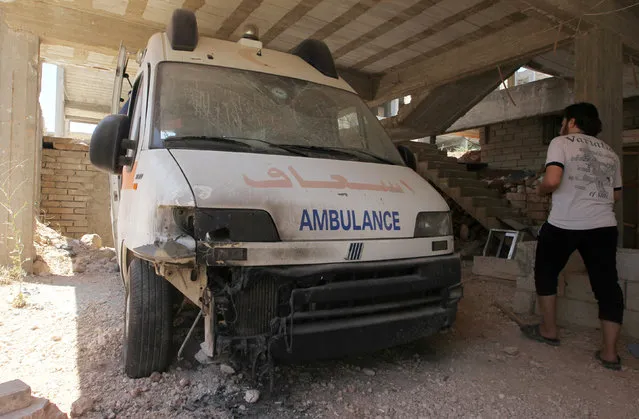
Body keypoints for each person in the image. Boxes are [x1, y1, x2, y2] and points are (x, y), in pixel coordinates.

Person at [521, 102, 624, 371]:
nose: (561, 126)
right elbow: (615, 194)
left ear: (572, 121)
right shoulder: (611, 153)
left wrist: (541, 190)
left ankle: (549, 330)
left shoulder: (562, 142)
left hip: (564, 224)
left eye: (563, 121)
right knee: (607, 286)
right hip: (603, 225)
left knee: (546, 272)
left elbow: (553, 180)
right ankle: (610, 354)